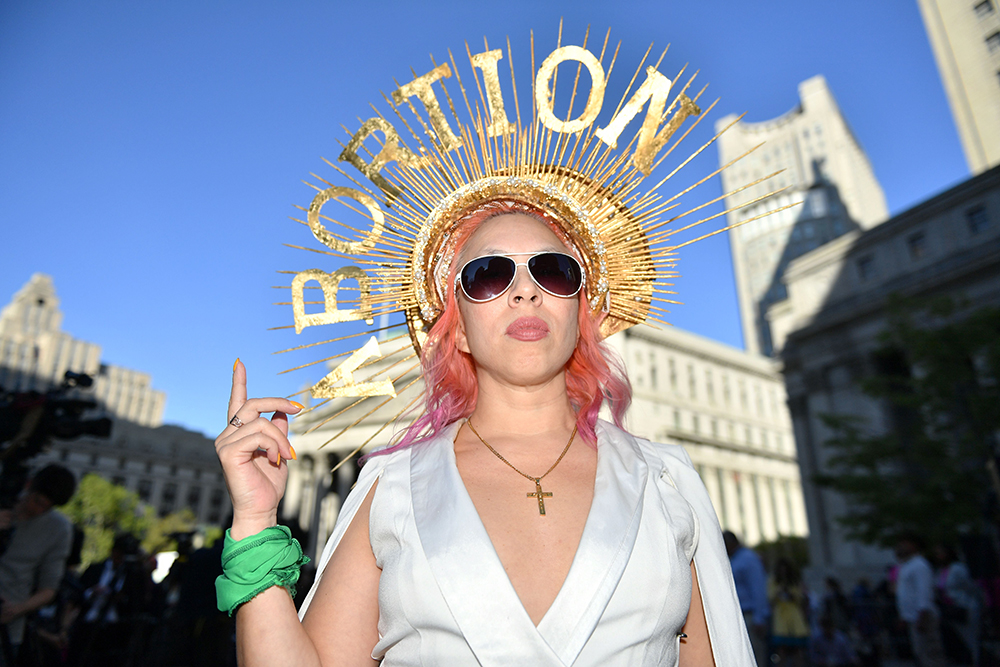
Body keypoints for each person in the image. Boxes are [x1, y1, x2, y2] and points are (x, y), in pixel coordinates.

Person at [213, 31, 767, 666]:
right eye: (489, 276)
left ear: (581, 308)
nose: (526, 293)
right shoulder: (390, 486)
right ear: (456, 326)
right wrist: (255, 523)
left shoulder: (667, 481)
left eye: (554, 272)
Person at [0, 464, 75, 662]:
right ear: (29, 485)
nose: (38, 510)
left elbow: (49, 589)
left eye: (46, 507)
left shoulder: (59, 529)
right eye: (37, 501)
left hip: (7, 627)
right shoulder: (5, 501)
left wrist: (17, 609)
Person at [895, 533, 945, 667]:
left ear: (913, 545)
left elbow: (924, 592)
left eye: (904, 543)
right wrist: (904, 616)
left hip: (922, 616)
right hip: (913, 617)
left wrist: (922, 615)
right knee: (921, 653)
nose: (899, 547)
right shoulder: (906, 565)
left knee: (930, 654)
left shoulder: (920, 565)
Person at [724, 531, 770, 666]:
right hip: (740, 615)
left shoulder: (748, 559)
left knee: (755, 656)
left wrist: (759, 618)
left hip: (750, 615)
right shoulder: (733, 559)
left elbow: (758, 588)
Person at [933, 544, 982, 666]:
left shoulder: (958, 568)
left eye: (941, 553)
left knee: (970, 638)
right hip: (950, 609)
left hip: (964, 607)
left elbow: (971, 587)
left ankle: (976, 661)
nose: (938, 556)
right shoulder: (941, 571)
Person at [768, 557, 809, 667]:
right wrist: (779, 591)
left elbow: (800, 598)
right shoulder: (773, 581)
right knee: (782, 650)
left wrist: (791, 594)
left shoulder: (794, 581)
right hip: (781, 617)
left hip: (794, 617)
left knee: (797, 650)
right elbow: (771, 598)